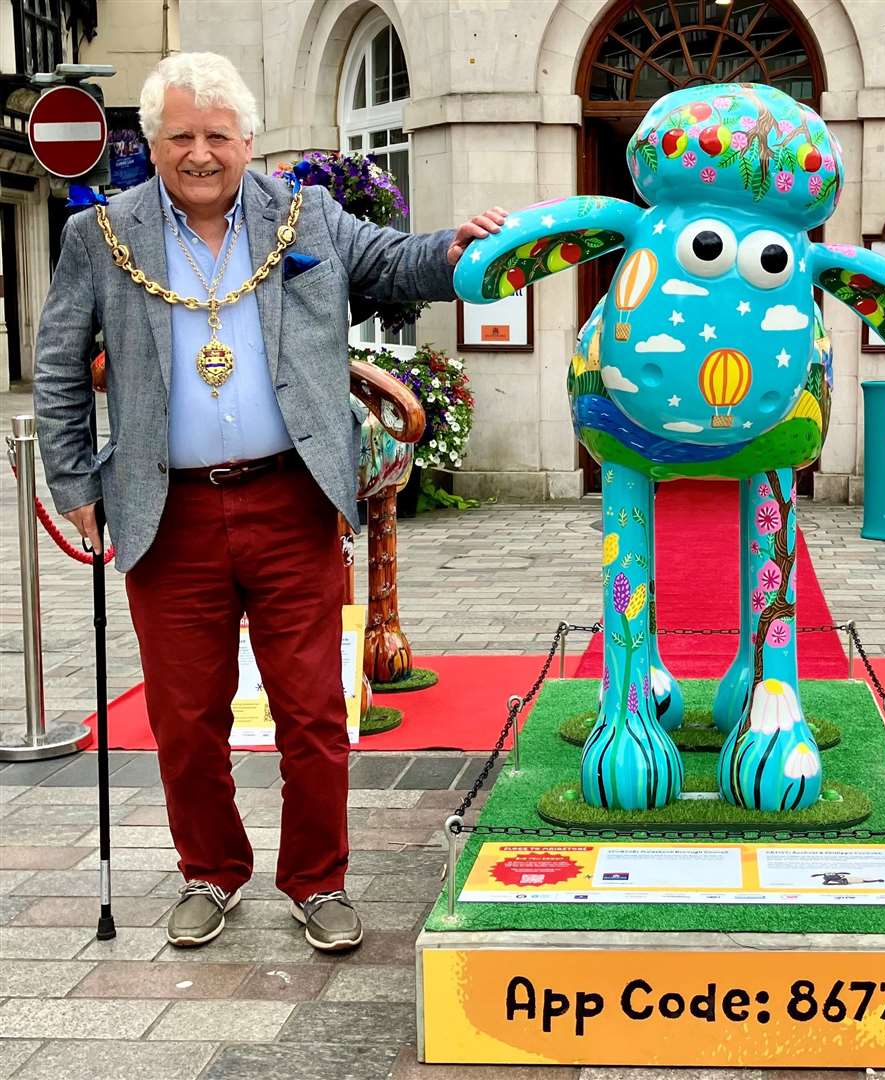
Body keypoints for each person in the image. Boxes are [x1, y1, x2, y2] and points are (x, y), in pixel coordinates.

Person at [34, 52, 506, 952]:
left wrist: (460, 246)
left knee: (313, 711)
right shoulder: (102, 237)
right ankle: (209, 873)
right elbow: (59, 365)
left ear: (248, 141)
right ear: (154, 141)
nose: (200, 153)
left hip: (290, 499)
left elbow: (400, 264)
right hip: (164, 513)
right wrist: (73, 482)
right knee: (185, 717)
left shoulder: (307, 216)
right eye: (181, 136)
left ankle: (317, 880)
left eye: (218, 135)